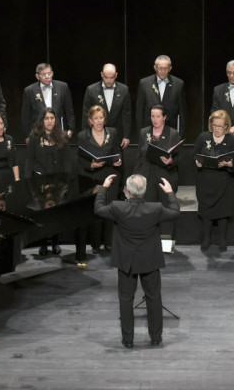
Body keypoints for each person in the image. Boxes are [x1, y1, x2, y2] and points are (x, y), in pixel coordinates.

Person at [94, 173, 180, 348]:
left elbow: (98, 208)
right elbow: (175, 212)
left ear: (127, 190)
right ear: (144, 191)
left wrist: (104, 187)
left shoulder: (118, 208)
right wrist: (170, 192)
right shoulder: (155, 208)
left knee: (126, 300)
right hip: (150, 260)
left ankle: (128, 340)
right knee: (154, 298)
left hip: (126, 261)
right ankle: (156, 338)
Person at [77, 105, 123, 262]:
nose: (99, 121)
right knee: (96, 208)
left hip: (110, 174)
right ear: (90, 120)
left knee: (110, 207)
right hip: (93, 176)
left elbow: (117, 151)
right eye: (95, 118)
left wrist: (119, 160)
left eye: (101, 117)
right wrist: (91, 165)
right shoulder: (83, 136)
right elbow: (79, 158)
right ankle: (95, 244)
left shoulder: (113, 132)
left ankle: (108, 242)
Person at [26, 108, 71, 255]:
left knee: (56, 215)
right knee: (42, 214)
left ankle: (55, 243)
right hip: (40, 182)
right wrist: (28, 181)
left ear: (55, 120)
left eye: (52, 118)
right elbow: (29, 160)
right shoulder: (34, 137)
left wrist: (66, 181)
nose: (50, 121)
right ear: (42, 120)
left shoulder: (62, 137)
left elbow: (67, 161)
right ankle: (43, 244)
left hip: (58, 183)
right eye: (47, 118)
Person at [133, 105, 182, 239]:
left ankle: (165, 242)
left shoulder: (173, 134)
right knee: (147, 210)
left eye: (158, 116)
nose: (154, 119)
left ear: (164, 117)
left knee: (166, 210)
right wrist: (134, 178)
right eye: (152, 116)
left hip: (165, 177)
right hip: (147, 177)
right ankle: (148, 240)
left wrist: (170, 161)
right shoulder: (144, 132)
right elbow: (139, 157)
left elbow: (179, 157)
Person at [194, 110, 234, 252]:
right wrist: (197, 162)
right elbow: (195, 154)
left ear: (226, 126)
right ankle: (206, 238)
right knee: (207, 210)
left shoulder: (231, 140)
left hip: (224, 180)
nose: (217, 129)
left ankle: (222, 239)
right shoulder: (204, 137)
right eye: (215, 126)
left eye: (220, 126)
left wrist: (229, 164)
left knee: (222, 210)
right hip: (206, 179)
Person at [81, 63, 132, 149]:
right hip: (96, 134)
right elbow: (86, 114)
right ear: (101, 74)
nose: (108, 80)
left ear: (116, 75)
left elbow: (126, 114)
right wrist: (85, 136)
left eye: (111, 77)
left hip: (117, 135)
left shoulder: (124, 90)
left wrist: (126, 136)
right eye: (106, 77)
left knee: (116, 161)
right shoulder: (91, 90)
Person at [21, 63, 75, 143]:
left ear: (52, 73)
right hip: (38, 132)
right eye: (43, 74)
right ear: (37, 76)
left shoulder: (63, 87)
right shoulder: (29, 91)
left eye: (49, 74)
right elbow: (25, 115)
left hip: (58, 132)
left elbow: (69, 110)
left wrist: (71, 129)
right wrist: (26, 135)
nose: (47, 77)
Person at [135, 55, 187, 134]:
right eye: (160, 68)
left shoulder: (178, 84)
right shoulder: (144, 83)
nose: (163, 71)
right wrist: (140, 133)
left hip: (170, 130)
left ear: (170, 68)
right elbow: (139, 111)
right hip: (149, 129)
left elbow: (182, 112)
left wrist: (181, 134)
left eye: (165, 68)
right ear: (155, 68)